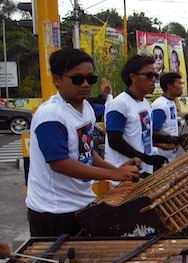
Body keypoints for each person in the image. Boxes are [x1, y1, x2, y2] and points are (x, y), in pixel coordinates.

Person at [25, 48, 140, 237]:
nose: (86, 84)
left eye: (90, 78)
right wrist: (113, 173)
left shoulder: (85, 107)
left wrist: (117, 171)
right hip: (54, 213)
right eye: (77, 79)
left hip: (81, 205)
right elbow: (60, 164)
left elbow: (86, 151)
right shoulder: (51, 116)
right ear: (57, 79)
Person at [105, 55, 168, 179]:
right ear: (133, 77)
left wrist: (170, 139)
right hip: (124, 175)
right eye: (149, 76)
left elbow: (145, 133)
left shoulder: (145, 103)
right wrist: (146, 158)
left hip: (143, 172)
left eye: (155, 76)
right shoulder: (119, 104)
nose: (154, 80)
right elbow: (115, 141)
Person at [151, 72, 186, 163]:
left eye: (182, 83)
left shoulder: (171, 102)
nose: (182, 86)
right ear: (169, 86)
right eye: (179, 83)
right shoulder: (160, 105)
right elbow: (152, 133)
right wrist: (165, 145)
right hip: (160, 155)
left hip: (170, 154)